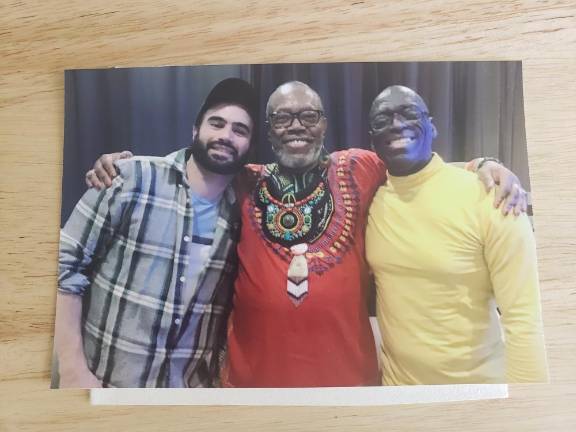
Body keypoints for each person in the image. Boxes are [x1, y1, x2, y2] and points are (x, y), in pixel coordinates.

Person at [86, 81, 528, 387]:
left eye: (308, 116)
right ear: (267, 130)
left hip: (349, 381)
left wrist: (482, 166)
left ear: (325, 124)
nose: (296, 126)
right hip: (250, 384)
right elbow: (200, 162)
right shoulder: (244, 179)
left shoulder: (359, 166)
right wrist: (124, 165)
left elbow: (418, 166)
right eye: (282, 118)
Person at [55, 78, 257, 388]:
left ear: (249, 145)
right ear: (195, 130)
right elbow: (62, 265)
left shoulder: (245, 213)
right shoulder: (129, 178)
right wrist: (71, 370)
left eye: (239, 130)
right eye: (217, 123)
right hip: (106, 389)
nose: (226, 136)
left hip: (185, 398)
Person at [365, 85, 548, 384]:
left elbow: (524, 318)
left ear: (432, 126)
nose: (396, 124)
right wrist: (480, 163)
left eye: (409, 113)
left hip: (476, 395)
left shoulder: (492, 197)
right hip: (397, 395)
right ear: (372, 141)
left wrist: (527, 408)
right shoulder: (370, 198)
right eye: (383, 119)